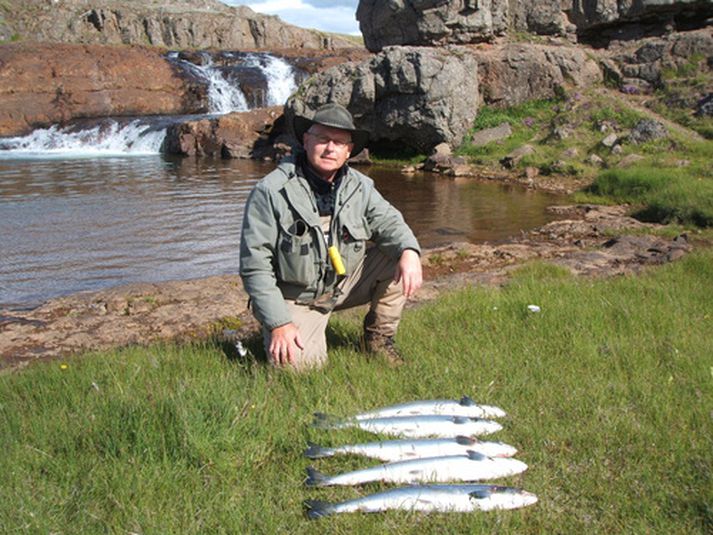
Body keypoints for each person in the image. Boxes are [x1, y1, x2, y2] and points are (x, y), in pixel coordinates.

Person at [239, 102, 422, 369]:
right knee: (299, 370)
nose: (330, 148)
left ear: (349, 151)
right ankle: (289, 328)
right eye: (323, 139)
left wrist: (409, 251)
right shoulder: (270, 191)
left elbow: (390, 222)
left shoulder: (360, 186)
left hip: (341, 285)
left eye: (339, 142)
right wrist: (279, 323)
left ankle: (379, 340)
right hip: (296, 297)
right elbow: (254, 266)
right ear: (306, 140)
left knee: (398, 257)